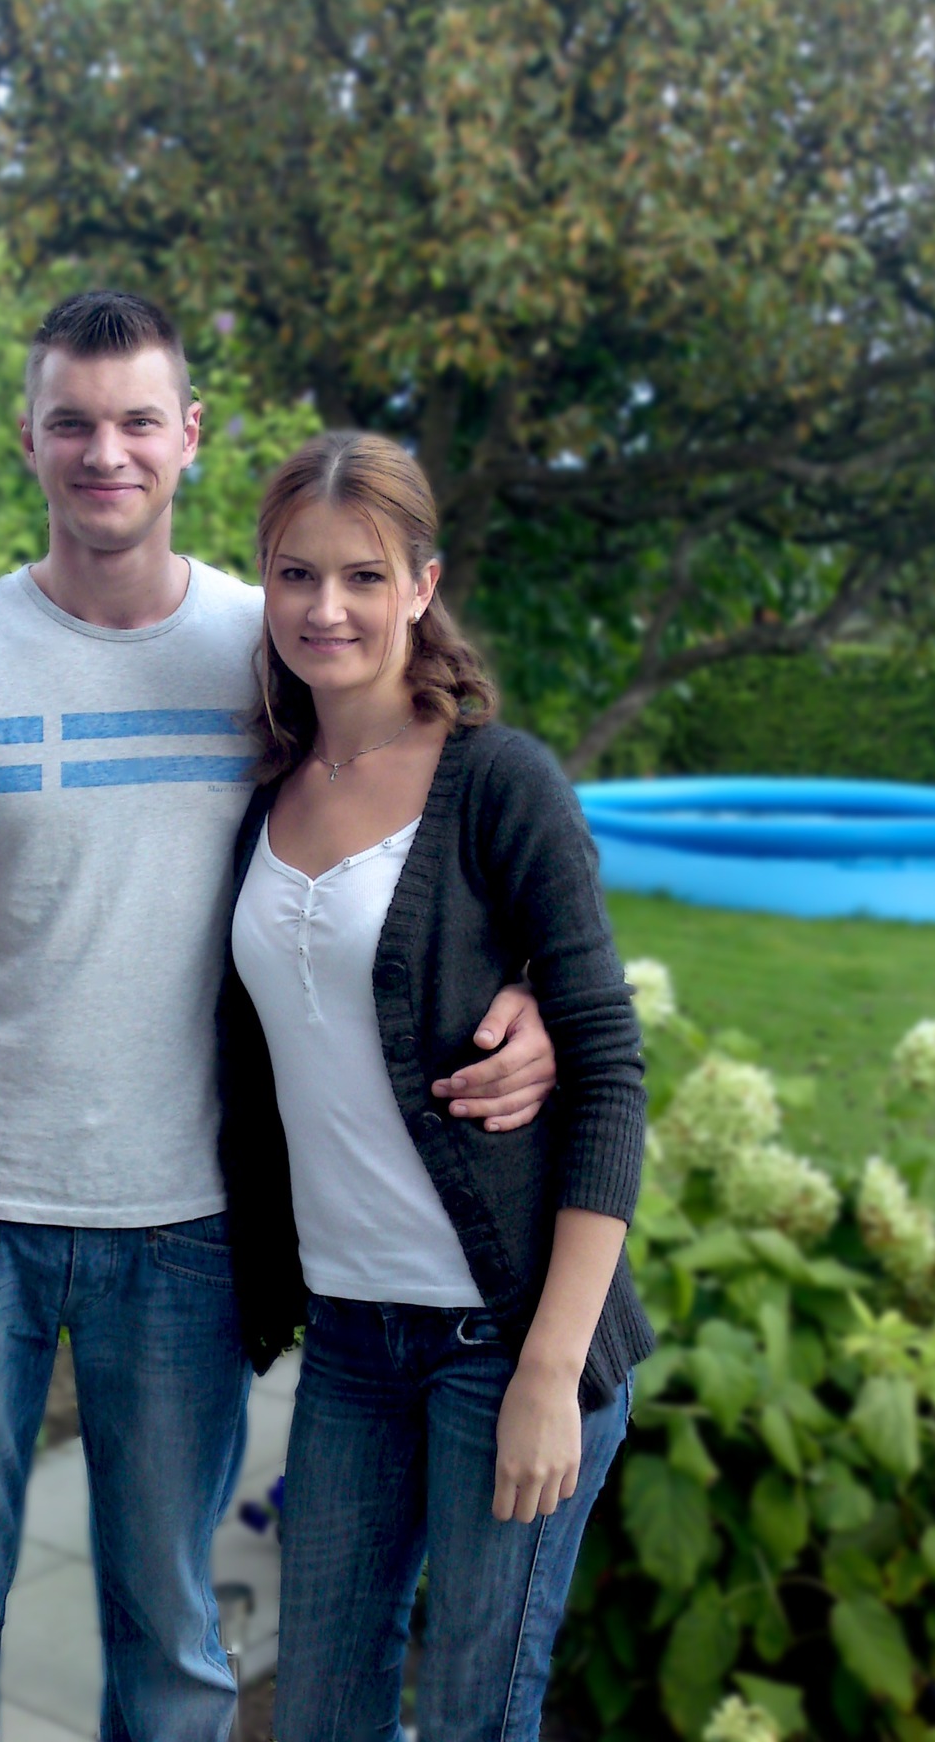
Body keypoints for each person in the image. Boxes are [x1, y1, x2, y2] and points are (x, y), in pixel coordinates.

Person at [0, 291, 560, 1742]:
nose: (107, 453)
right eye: (73, 422)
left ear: (189, 435)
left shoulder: (269, 644)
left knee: (174, 1643)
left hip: (191, 1227)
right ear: (28, 437)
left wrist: (531, 988)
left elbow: (436, 814)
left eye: (138, 420)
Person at [218, 430, 654, 1742]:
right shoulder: (264, 789)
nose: (326, 607)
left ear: (422, 584)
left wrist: (551, 1373)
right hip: (354, 1340)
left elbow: (610, 1071)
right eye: (296, 574)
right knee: (319, 1712)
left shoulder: (496, 783)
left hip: (504, 1341)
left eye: (364, 575)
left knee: (475, 1714)